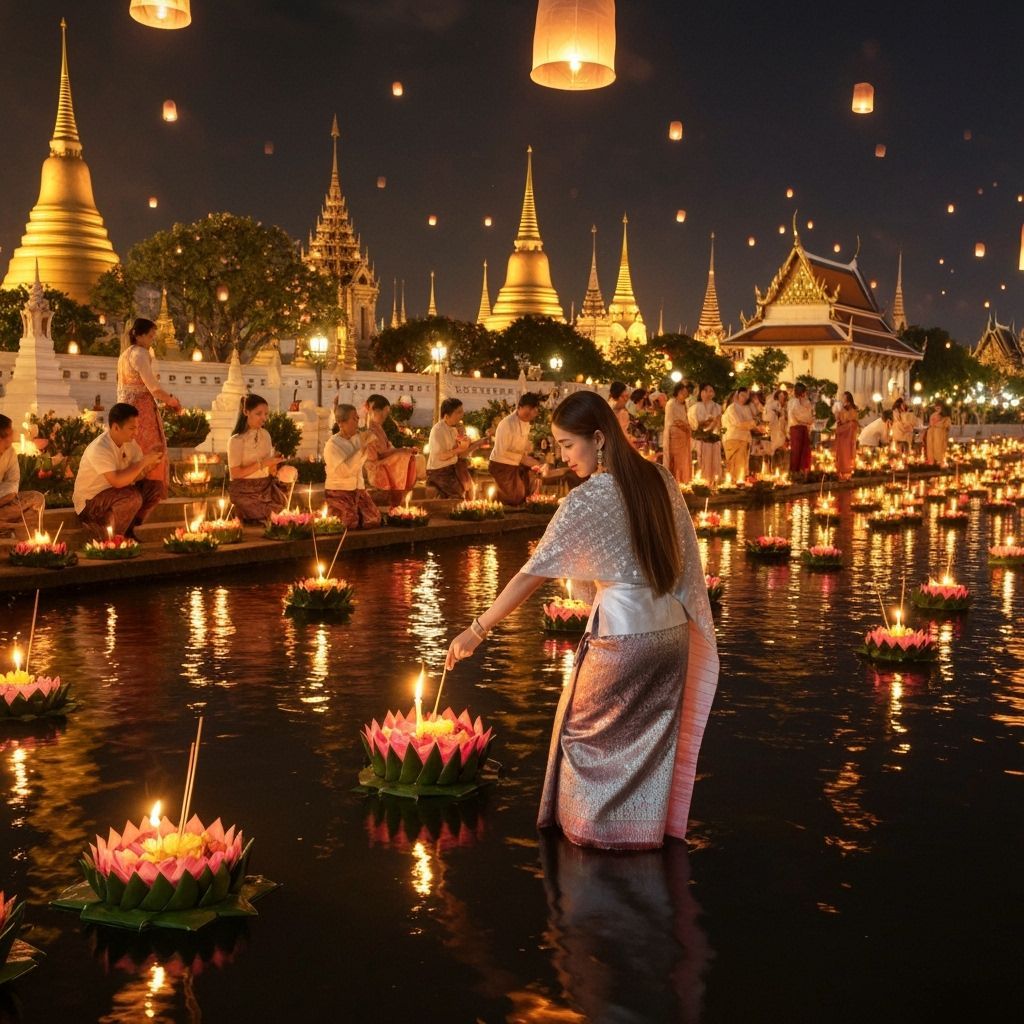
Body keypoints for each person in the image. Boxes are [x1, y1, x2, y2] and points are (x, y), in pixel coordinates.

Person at [446, 390, 718, 850]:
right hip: (672, 634)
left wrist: (476, 630)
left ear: (598, 437)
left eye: (568, 445)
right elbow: (686, 560)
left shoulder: (587, 500)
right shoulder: (661, 479)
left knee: (581, 736)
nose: (563, 456)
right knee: (648, 742)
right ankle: (640, 838)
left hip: (624, 641)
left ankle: (591, 837)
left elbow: (531, 574)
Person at [73, 402, 165, 539]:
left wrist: (148, 467)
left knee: (155, 488)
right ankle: (113, 539)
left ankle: (129, 528)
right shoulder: (100, 448)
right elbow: (116, 481)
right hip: (91, 502)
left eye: (137, 428)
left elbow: (135, 475)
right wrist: (143, 463)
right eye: (132, 428)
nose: (136, 433)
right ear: (116, 427)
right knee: (132, 497)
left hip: (117, 493)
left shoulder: (130, 444)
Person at [116, 317, 181, 500]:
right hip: (141, 412)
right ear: (139, 335)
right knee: (152, 450)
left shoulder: (124, 355)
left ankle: (130, 490)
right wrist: (172, 401)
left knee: (128, 451)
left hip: (125, 411)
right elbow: (154, 388)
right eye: (151, 337)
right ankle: (152, 494)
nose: (152, 341)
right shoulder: (140, 354)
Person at [227, 395, 296, 523]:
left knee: (284, 513)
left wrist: (275, 464)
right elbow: (235, 474)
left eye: (266, 414)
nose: (264, 418)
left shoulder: (266, 435)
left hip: (266, 488)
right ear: (246, 412)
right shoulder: (236, 440)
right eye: (259, 414)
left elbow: (270, 471)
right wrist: (263, 463)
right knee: (267, 515)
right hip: (245, 492)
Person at [324, 403, 381, 528]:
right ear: (341, 423)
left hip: (358, 490)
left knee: (373, 519)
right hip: (339, 491)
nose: (357, 421)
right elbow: (344, 471)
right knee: (348, 523)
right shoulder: (332, 445)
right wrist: (362, 450)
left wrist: (372, 446)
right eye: (354, 418)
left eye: (357, 417)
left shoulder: (357, 439)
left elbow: (373, 453)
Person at [488, 392, 545, 506]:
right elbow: (501, 451)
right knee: (515, 497)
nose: (531, 414)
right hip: (501, 464)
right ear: (519, 408)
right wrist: (523, 459)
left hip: (516, 464)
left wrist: (529, 455)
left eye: (534, 411)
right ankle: (496, 503)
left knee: (529, 489)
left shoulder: (526, 423)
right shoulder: (507, 424)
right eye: (528, 410)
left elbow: (522, 446)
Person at [363, 394, 417, 506]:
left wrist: (403, 450)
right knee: (405, 457)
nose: (384, 417)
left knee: (408, 455)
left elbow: (386, 450)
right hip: (377, 469)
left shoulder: (379, 428)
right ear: (375, 411)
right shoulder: (369, 432)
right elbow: (377, 459)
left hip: (384, 463)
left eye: (386, 414)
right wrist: (400, 453)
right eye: (384, 414)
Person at [0, 414, 45, 534]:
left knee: (37, 499)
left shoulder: (10, 451)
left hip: (3, 500)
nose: (12, 435)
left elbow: (13, 480)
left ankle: (8, 527)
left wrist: (7, 495)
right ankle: (9, 527)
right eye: (8, 434)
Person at [427, 398, 473, 499]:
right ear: (447, 416)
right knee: (459, 494)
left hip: (453, 467)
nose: (462, 415)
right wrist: (459, 450)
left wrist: (463, 436)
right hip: (439, 471)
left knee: (469, 488)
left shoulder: (455, 428)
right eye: (458, 412)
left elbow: (462, 448)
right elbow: (441, 456)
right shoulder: (437, 431)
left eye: (462, 411)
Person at [721, 387, 759, 480]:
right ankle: (735, 484)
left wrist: (757, 427)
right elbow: (738, 423)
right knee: (735, 464)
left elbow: (752, 421)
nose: (745, 398)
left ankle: (741, 482)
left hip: (745, 439)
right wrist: (754, 424)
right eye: (743, 395)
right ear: (737, 395)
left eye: (747, 396)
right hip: (734, 439)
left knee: (743, 465)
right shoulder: (732, 408)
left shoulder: (746, 408)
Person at [687, 383, 722, 483]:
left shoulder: (717, 407)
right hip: (700, 440)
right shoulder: (695, 408)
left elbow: (719, 424)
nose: (708, 393)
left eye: (711, 391)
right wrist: (705, 423)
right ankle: (701, 483)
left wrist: (714, 423)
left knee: (714, 462)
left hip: (714, 439)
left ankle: (713, 483)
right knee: (701, 462)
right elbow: (694, 425)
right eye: (706, 391)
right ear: (701, 392)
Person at [661, 381, 693, 483]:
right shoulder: (671, 403)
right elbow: (672, 421)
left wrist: (687, 427)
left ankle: (684, 479)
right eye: (683, 394)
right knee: (676, 460)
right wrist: (684, 426)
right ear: (677, 392)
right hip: (674, 436)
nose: (684, 396)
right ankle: (676, 480)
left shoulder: (685, 405)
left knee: (684, 459)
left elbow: (686, 419)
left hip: (684, 435)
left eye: (686, 394)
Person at [787, 383, 814, 479]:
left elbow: (809, 414)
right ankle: (795, 472)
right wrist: (809, 419)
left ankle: (803, 471)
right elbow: (801, 415)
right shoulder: (794, 402)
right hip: (796, 428)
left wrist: (809, 418)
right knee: (797, 451)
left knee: (804, 450)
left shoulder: (804, 401)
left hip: (803, 428)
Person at [833, 391, 859, 480]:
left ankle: (848, 472)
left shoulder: (852, 409)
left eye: (843, 396)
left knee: (848, 453)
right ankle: (841, 472)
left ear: (848, 398)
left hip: (849, 436)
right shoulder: (842, 408)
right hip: (842, 435)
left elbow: (852, 421)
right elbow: (840, 420)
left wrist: (846, 422)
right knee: (841, 453)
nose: (842, 398)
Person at [766, 389, 789, 470]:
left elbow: (786, 423)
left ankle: (781, 470)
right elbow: (768, 419)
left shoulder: (785, 409)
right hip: (774, 434)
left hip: (782, 434)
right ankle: (772, 470)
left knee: (782, 454)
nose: (782, 398)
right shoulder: (772, 406)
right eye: (780, 396)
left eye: (784, 396)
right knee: (773, 453)